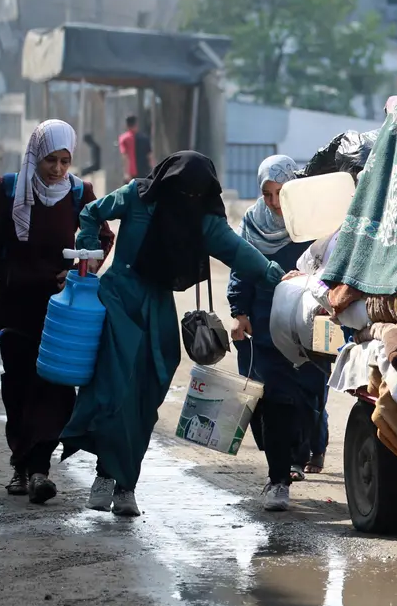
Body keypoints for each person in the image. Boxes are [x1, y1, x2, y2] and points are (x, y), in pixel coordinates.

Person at [59, 151, 287, 517]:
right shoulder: (136, 195)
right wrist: (87, 258)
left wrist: (276, 274)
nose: (187, 198)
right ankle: (107, 477)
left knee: (148, 396)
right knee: (114, 390)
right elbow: (91, 212)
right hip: (118, 299)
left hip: (158, 309)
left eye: (196, 192)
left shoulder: (201, 220)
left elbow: (238, 252)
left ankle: (126, 484)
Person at [0, 119, 114, 504]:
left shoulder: (79, 192)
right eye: (50, 161)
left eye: (64, 160)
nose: (57, 169)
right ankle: (21, 467)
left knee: (55, 385)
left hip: (61, 310)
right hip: (15, 303)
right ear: (35, 157)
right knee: (19, 383)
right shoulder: (10, 189)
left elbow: (102, 237)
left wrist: (78, 270)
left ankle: (40, 469)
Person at [229, 154, 331, 511]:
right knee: (272, 401)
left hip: (305, 324)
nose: (273, 202)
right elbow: (241, 269)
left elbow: (329, 264)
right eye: (267, 193)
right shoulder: (253, 224)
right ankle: (278, 479)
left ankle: (301, 454)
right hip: (264, 322)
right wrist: (238, 311)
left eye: (280, 193)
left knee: (308, 397)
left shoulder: (312, 221)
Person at [118, 115, 153, 183]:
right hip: (144, 173)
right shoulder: (145, 138)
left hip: (131, 175)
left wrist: (126, 173)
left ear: (126, 125)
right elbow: (150, 156)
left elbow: (125, 157)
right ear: (136, 124)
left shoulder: (124, 138)